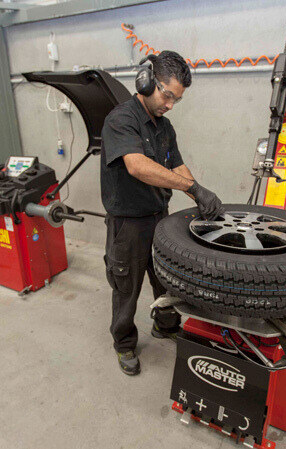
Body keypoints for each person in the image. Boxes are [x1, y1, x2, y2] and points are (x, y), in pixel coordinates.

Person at [100, 50, 224, 375]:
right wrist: (192, 189)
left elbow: (176, 164)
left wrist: (199, 191)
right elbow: (137, 166)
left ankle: (165, 325)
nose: (169, 105)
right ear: (146, 80)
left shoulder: (164, 127)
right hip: (127, 224)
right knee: (126, 288)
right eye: (167, 95)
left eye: (176, 101)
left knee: (167, 282)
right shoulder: (120, 120)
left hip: (160, 219)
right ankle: (124, 344)